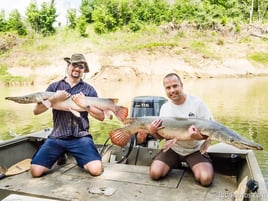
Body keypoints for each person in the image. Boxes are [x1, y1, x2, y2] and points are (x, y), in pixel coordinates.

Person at [30, 53, 105, 177]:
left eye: (81, 66)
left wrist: (85, 105)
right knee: (35, 172)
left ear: (84, 70)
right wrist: (54, 98)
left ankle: (77, 157)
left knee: (95, 170)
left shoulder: (89, 90)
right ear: (68, 65)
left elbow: (101, 117)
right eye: (74, 65)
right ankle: (61, 154)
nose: (77, 68)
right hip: (57, 138)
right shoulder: (54, 86)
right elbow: (36, 111)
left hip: (81, 137)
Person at [146, 73, 214, 186]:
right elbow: (161, 137)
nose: (172, 90)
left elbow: (212, 131)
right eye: (168, 87)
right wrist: (153, 132)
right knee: (155, 174)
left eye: (175, 86)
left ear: (182, 85)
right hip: (173, 149)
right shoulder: (165, 108)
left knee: (205, 179)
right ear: (165, 90)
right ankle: (175, 163)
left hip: (194, 150)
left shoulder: (197, 104)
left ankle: (192, 164)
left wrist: (198, 137)